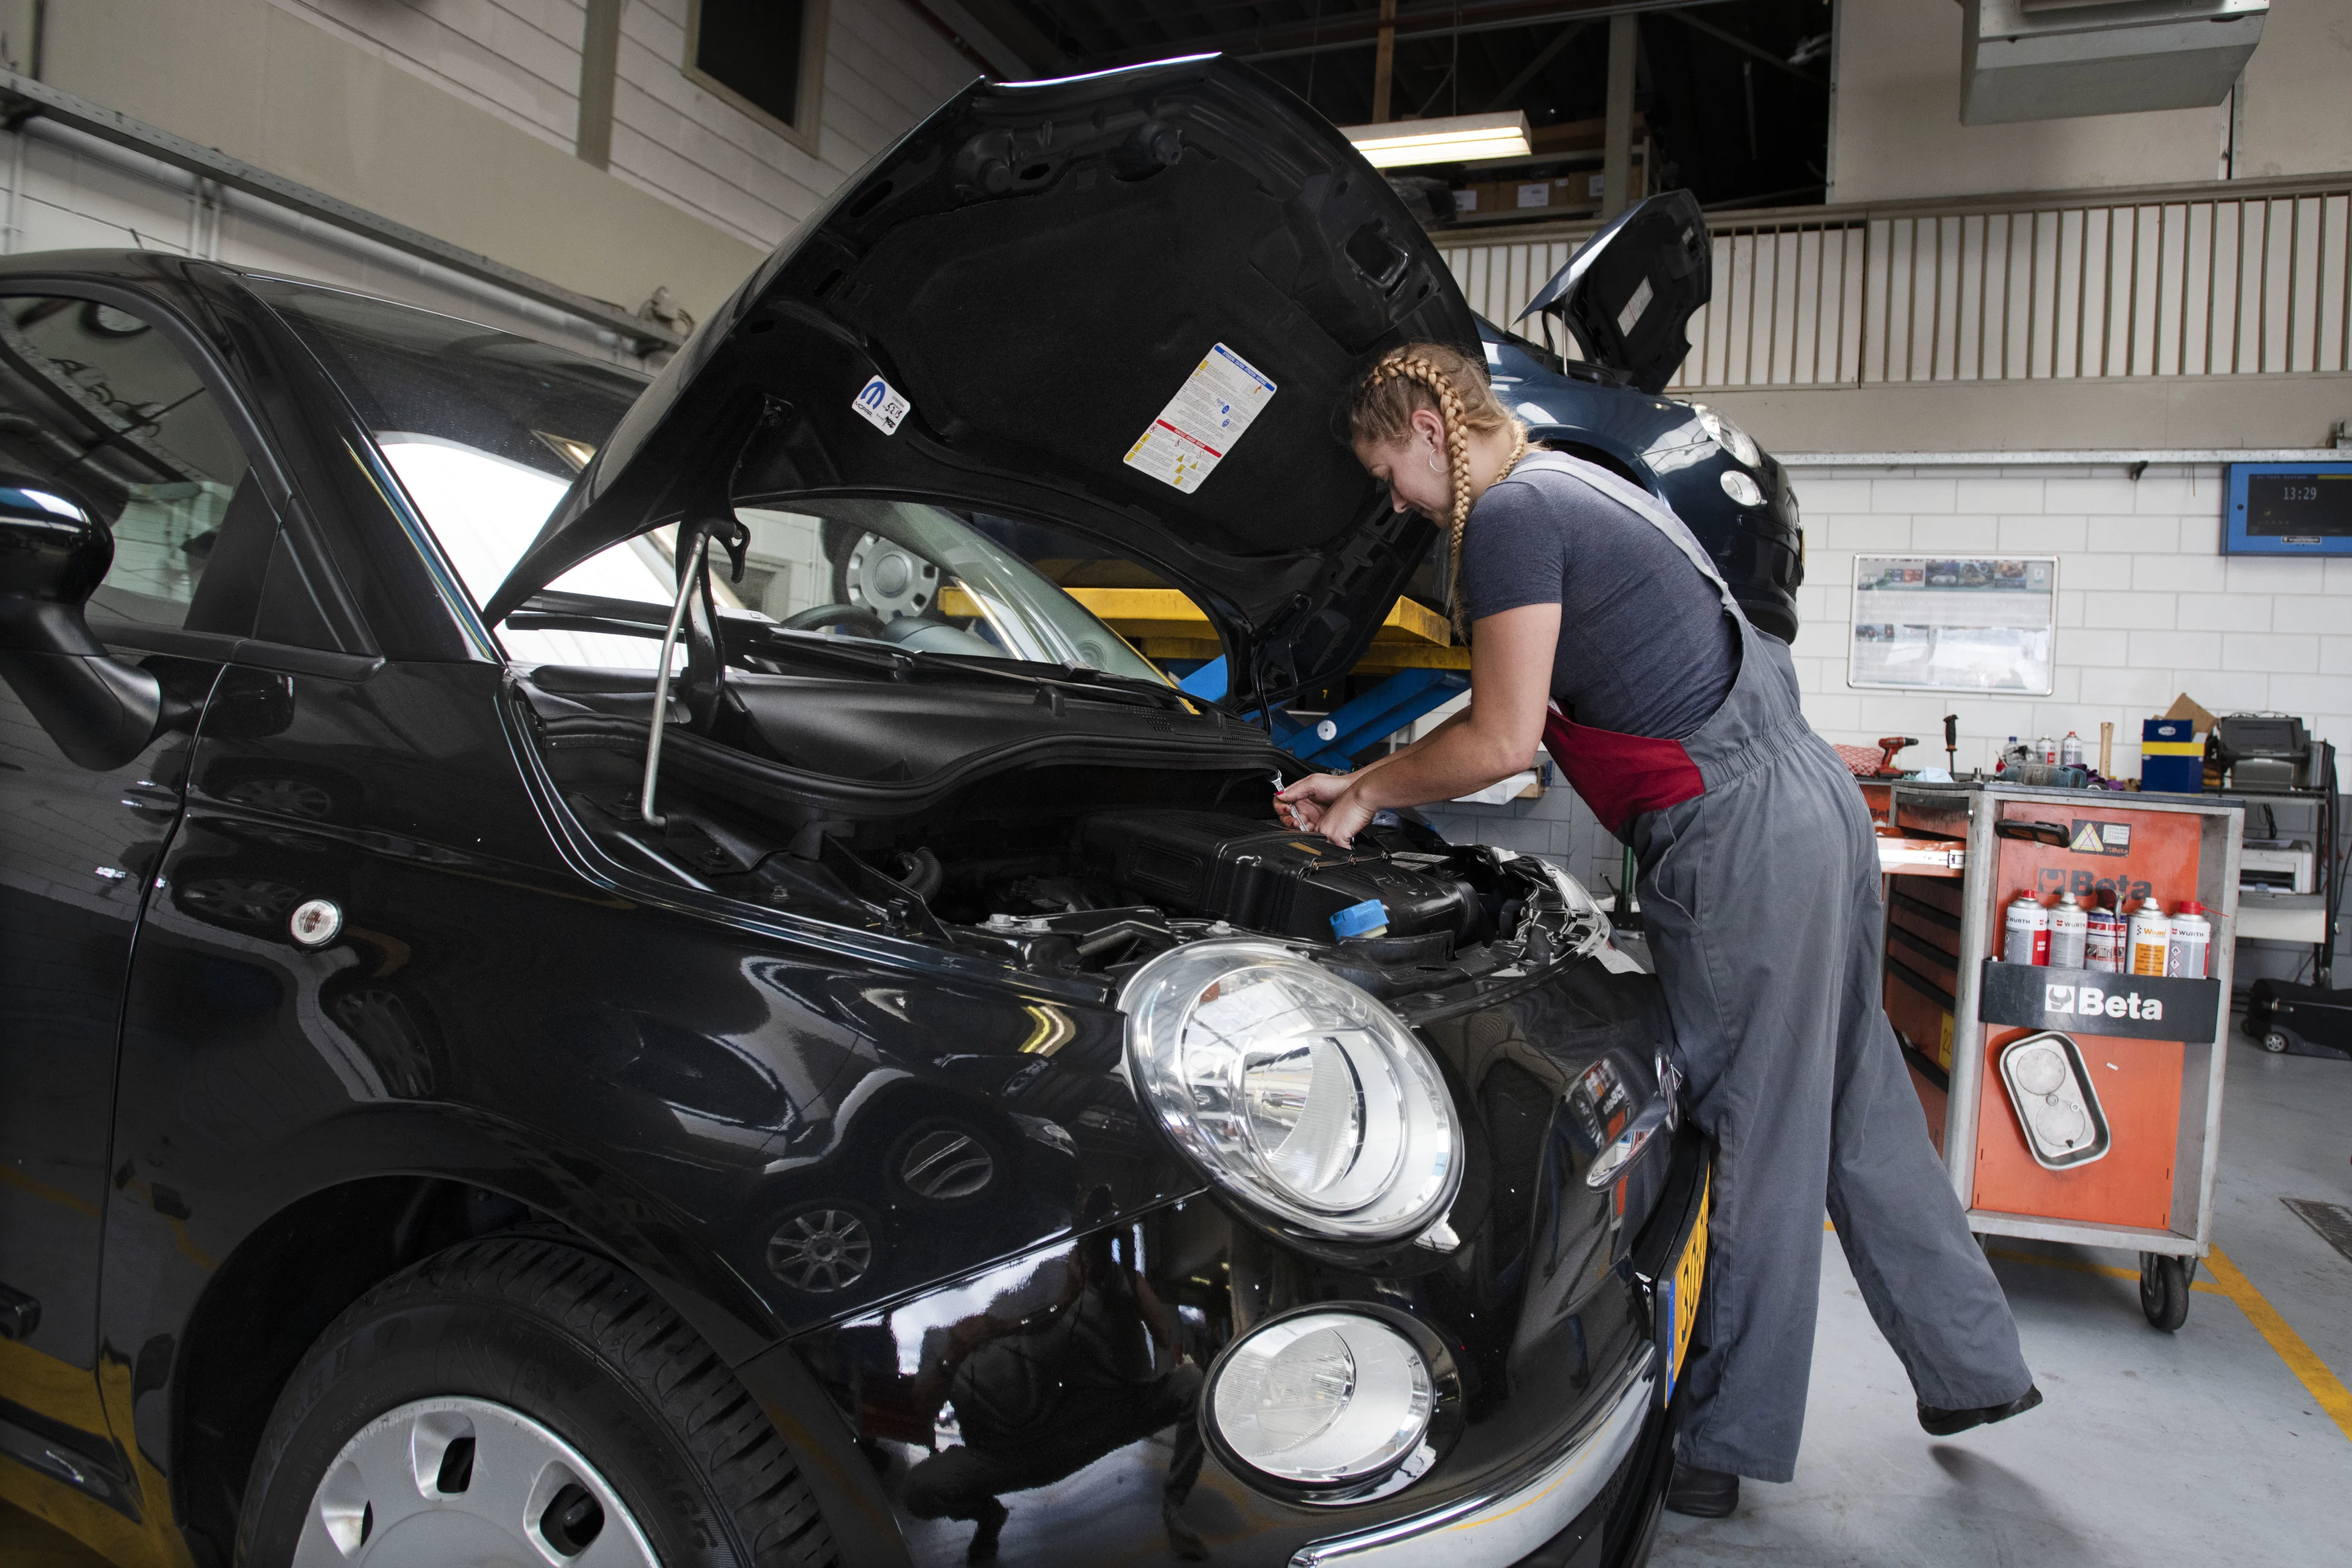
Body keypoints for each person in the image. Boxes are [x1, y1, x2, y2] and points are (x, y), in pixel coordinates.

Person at [1275, 343, 2040, 1517]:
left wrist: (1371, 791)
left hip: (1742, 834)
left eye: (1389, 474)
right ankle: (1971, 1366)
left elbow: (1502, 740)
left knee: (1762, 1131)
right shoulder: (1588, 483)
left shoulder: (1515, 515)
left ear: (1430, 430)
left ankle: (1722, 1445)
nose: (1392, 502)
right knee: (1854, 1097)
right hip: (1804, 803)